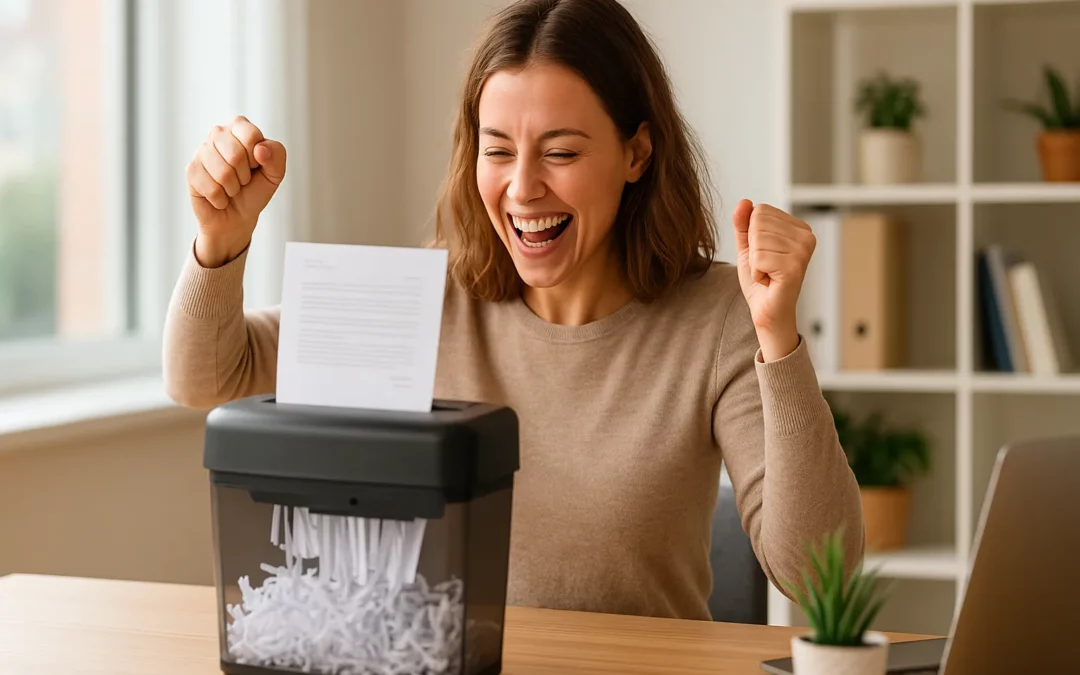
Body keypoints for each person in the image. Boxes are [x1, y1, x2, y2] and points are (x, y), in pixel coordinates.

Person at [165, 0, 863, 621]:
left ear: (637, 152)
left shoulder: (716, 317)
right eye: (497, 150)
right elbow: (205, 375)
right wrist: (220, 242)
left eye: (560, 151)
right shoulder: (426, 300)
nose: (523, 187)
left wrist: (778, 339)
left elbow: (813, 572)